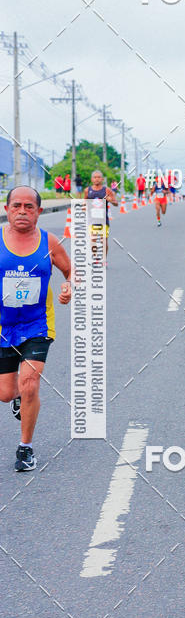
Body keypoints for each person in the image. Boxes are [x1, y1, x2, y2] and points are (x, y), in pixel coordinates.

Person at [0, 186, 71, 471]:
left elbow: (70, 270)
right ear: (7, 209)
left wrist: (69, 286)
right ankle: (14, 398)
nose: (22, 211)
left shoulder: (49, 242)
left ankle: (25, 448)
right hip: (4, 326)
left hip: (37, 324)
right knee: (6, 392)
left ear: (39, 212)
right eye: (16, 205)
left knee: (30, 384)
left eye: (29, 207)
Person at [83, 170, 118, 257]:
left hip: (103, 220)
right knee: (93, 240)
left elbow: (116, 203)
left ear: (102, 179)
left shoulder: (107, 190)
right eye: (95, 177)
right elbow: (85, 202)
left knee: (103, 241)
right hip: (92, 220)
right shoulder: (87, 190)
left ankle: (103, 260)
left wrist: (111, 200)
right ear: (92, 179)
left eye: (99, 177)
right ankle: (95, 258)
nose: (97, 179)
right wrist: (83, 207)